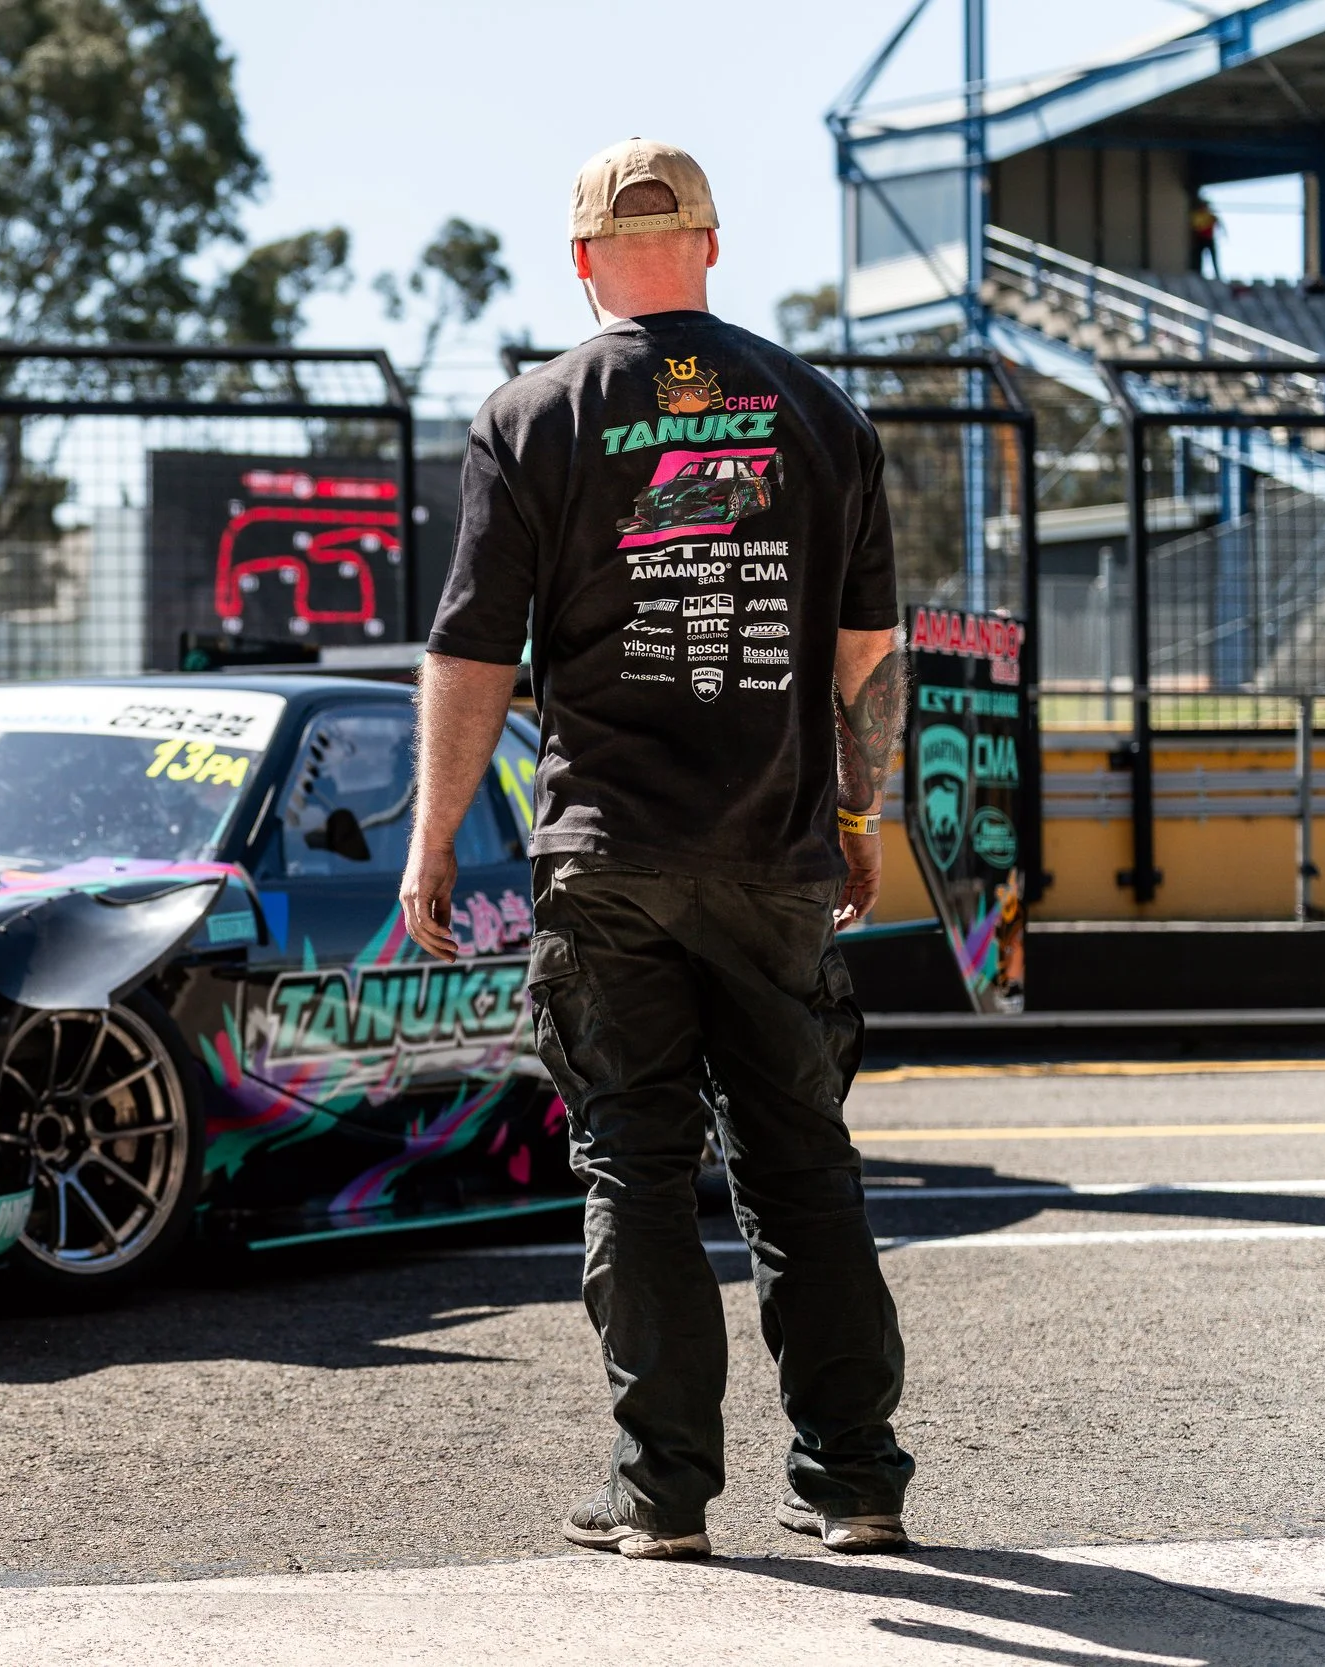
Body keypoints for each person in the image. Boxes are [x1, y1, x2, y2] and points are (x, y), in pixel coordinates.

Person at [399, 137, 915, 1562]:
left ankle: (664, 1493)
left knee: (634, 1163)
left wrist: (433, 839)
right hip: (776, 853)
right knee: (803, 1159)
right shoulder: (819, 412)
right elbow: (870, 654)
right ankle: (858, 1478)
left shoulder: (533, 414)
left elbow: (470, 649)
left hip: (607, 854)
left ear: (580, 262)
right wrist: (858, 817)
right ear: (712, 242)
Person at [1189, 195, 1220, 279]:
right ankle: (1198, 273)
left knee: (1213, 258)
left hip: (1209, 239)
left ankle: (1217, 274)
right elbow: (1197, 227)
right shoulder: (1197, 215)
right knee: (1199, 258)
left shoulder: (1210, 215)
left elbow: (1218, 225)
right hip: (1201, 239)